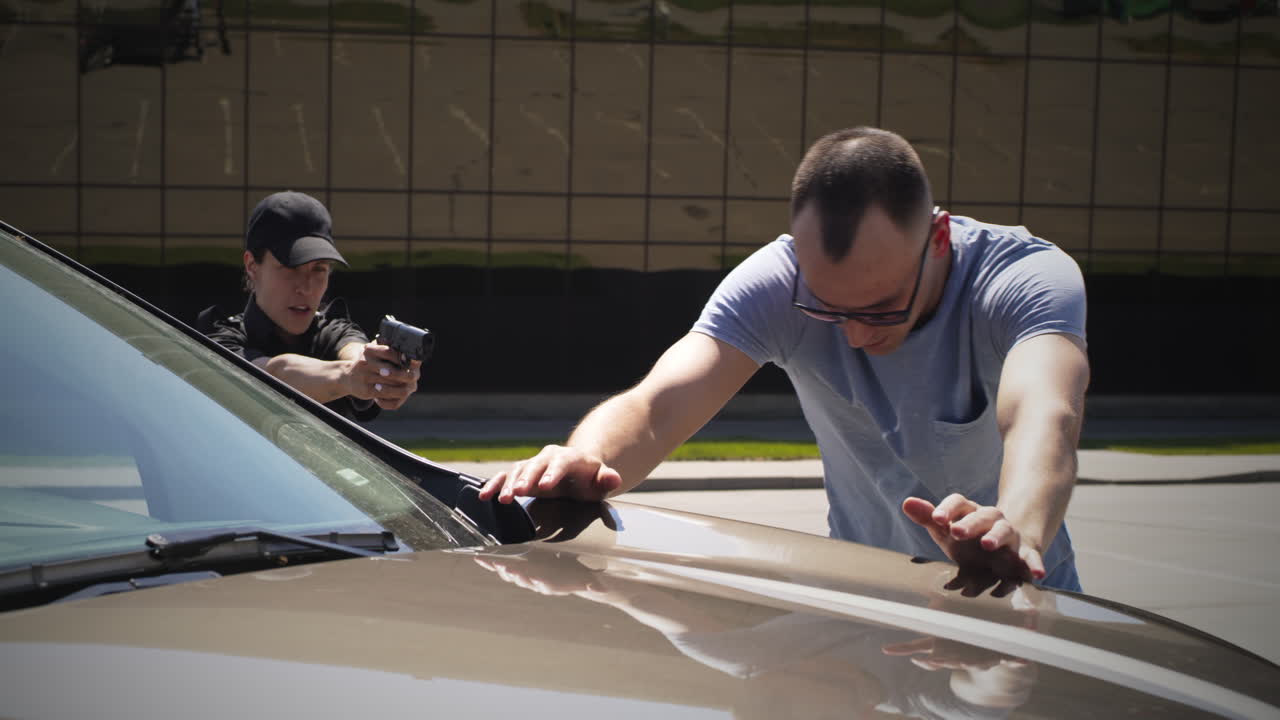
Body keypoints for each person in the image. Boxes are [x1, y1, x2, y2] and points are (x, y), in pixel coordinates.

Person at [479, 126, 1090, 591]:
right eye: (828, 308)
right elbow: (656, 407)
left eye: (878, 308)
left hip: (1018, 596)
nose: (852, 337)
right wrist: (587, 458)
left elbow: (1046, 415)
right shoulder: (778, 283)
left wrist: (1016, 529)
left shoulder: (1026, 278)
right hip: (866, 600)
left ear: (937, 238)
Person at [199, 190, 421, 422]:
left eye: (319, 269)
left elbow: (356, 354)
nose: (306, 287)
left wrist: (380, 368)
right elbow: (272, 374)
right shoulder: (219, 338)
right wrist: (348, 376)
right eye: (290, 268)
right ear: (252, 266)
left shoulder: (334, 329)